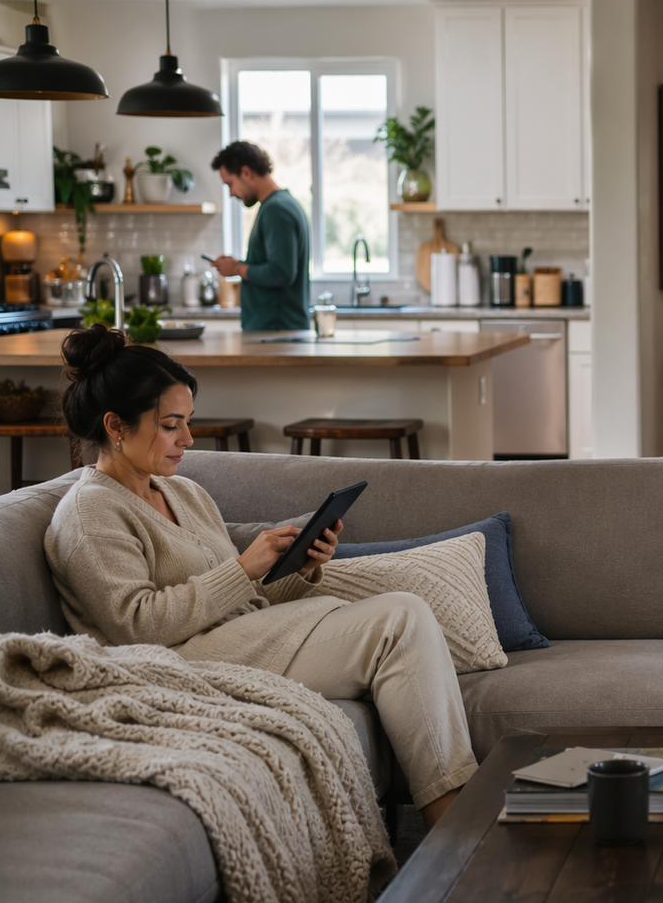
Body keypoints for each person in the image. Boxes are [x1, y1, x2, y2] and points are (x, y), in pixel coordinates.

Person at [44, 326, 475, 827]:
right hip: (173, 664)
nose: (187, 438)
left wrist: (301, 568)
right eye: (170, 425)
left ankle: (455, 812)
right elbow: (134, 627)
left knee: (404, 616)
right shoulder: (88, 513)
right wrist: (243, 567)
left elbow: (246, 598)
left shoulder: (183, 493)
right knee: (400, 619)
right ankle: (454, 819)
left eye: (188, 422)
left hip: (233, 640)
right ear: (116, 424)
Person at [208, 141, 311, 331]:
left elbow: (282, 272)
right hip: (277, 332)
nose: (231, 193)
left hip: (276, 332)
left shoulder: (276, 210)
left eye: (230, 184)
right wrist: (236, 266)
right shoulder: (280, 205)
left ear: (246, 173)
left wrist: (238, 268)